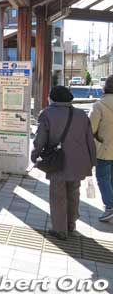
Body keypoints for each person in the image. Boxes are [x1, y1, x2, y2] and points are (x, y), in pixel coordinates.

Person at [31, 86, 97, 240]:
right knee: (74, 192)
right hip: (79, 161)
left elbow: (40, 139)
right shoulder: (81, 115)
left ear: (52, 98)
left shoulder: (47, 114)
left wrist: (35, 156)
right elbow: (90, 140)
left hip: (58, 161)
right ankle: (71, 224)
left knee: (58, 195)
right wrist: (92, 161)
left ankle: (60, 230)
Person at [89, 75, 113, 222]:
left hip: (105, 149)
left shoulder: (99, 106)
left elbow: (90, 128)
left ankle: (110, 207)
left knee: (103, 178)